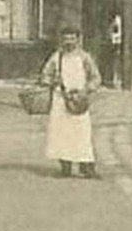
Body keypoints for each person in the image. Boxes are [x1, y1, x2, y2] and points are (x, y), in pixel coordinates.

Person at [39, 26, 103, 179]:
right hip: (61, 100)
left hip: (79, 101)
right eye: (66, 38)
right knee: (61, 133)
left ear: (78, 39)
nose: (69, 41)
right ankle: (65, 166)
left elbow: (96, 78)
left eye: (72, 38)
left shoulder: (85, 58)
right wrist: (51, 81)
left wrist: (85, 91)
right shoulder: (56, 57)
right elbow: (45, 75)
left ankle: (87, 167)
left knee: (82, 133)